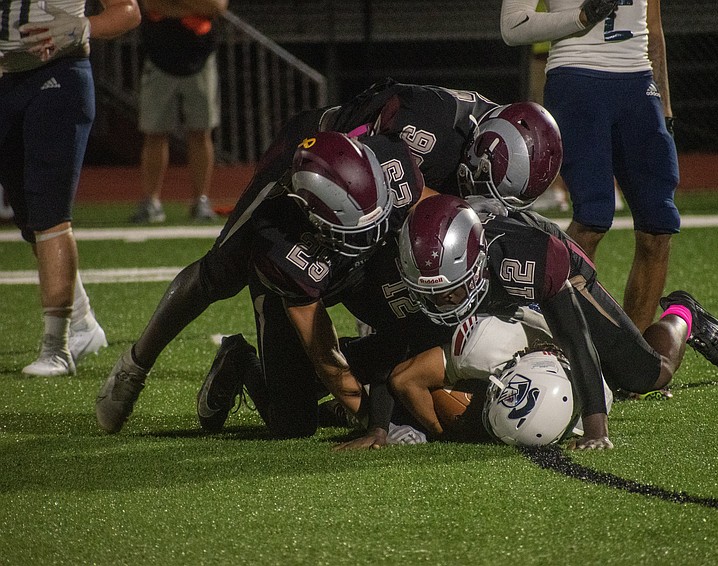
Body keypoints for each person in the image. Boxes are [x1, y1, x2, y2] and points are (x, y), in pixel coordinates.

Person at [93, 79, 560, 439]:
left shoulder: (397, 170)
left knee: (419, 308)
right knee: (222, 275)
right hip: (309, 178)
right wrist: (371, 423)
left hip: (362, 181)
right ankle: (139, 366)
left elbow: (434, 222)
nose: (378, 233)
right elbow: (326, 354)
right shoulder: (284, 241)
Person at [393, 194, 718, 449]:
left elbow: (576, 338)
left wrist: (595, 428)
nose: (443, 302)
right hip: (497, 280)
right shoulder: (425, 256)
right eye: (433, 293)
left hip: (562, 275)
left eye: (452, 291)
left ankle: (683, 312)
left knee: (646, 375)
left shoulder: (530, 263)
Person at [500, 0, 679, 334]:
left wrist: (664, 106)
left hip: (639, 85)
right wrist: (580, 17)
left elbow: (653, 27)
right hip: (576, 77)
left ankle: (633, 366)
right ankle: (553, 341)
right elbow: (513, 26)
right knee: (592, 219)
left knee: (659, 224)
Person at [0, 0, 140, 376]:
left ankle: (56, 346)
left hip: (57, 75)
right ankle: (82, 324)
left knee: (49, 215)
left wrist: (83, 27)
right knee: (30, 219)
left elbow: (128, 11)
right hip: (5, 83)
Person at [130, 0, 227, 224]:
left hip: (200, 56)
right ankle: (151, 201)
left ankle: (200, 200)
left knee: (201, 132)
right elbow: (150, 4)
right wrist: (194, 6)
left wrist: (176, 5)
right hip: (159, 57)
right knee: (154, 134)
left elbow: (216, 6)